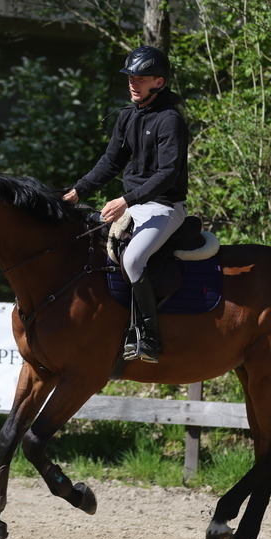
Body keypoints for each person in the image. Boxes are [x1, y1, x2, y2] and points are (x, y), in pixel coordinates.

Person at [63, 45, 189, 363]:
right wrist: (79, 189)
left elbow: (166, 174)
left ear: (158, 82)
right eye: (130, 76)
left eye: (141, 77)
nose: (133, 82)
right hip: (133, 205)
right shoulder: (127, 116)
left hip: (164, 207)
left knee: (133, 259)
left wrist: (125, 200)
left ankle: (149, 337)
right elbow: (110, 161)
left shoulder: (170, 121)